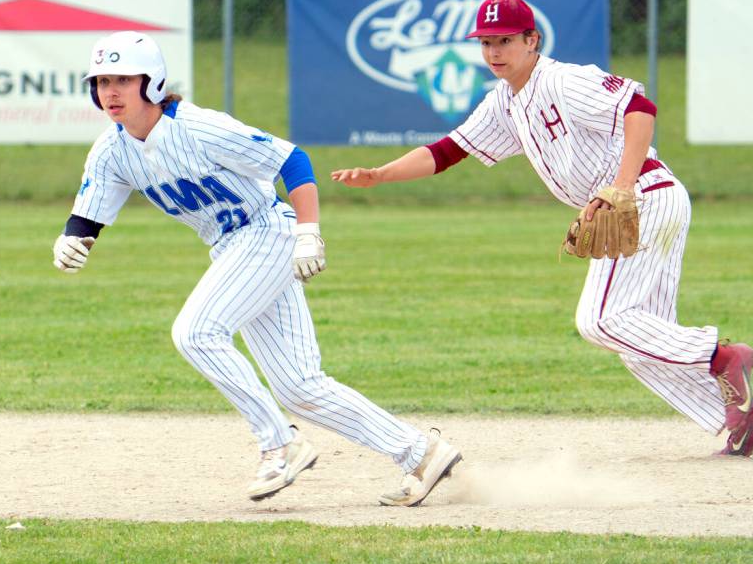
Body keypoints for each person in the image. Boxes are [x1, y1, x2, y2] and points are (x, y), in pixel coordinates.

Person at [332, 0, 753, 457]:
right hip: (641, 205)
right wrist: (381, 174)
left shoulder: (564, 80)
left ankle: (724, 357)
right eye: (486, 42)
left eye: (505, 40)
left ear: (533, 40)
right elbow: (448, 151)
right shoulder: (504, 102)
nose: (493, 52)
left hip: (645, 198)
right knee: (641, 341)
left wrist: (622, 186)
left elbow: (641, 109)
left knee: (600, 321)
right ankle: (744, 419)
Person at [52, 30, 461, 505]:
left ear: (152, 81)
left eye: (123, 79)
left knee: (196, 333)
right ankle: (421, 453)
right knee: (301, 386)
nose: (110, 91)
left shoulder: (200, 127)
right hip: (232, 249)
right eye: (101, 81)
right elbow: (89, 212)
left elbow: (292, 159)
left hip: (267, 232)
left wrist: (309, 232)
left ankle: (279, 443)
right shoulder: (111, 148)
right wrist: (71, 239)